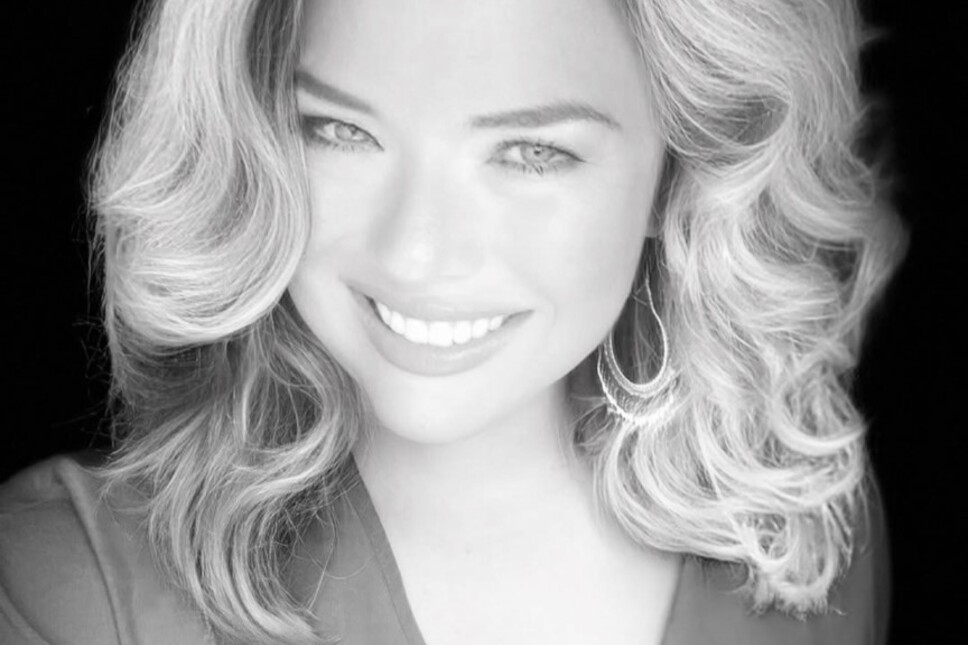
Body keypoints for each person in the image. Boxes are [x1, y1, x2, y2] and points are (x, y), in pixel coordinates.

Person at [0, 0, 906, 643]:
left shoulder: (800, 529)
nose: (418, 254)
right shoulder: (65, 587)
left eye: (531, 152)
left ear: (684, 171)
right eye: (341, 131)